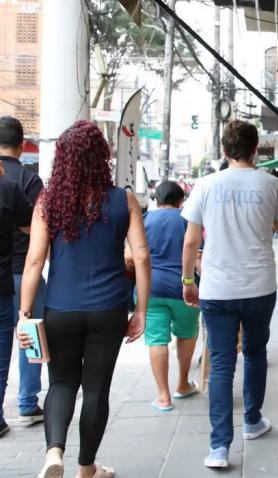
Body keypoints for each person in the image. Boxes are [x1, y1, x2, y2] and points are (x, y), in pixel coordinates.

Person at [16, 120, 151, 478]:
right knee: (95, 390)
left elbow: (33, 261)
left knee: (61, 382)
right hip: (108, 310)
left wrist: (24, 312)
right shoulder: (124, 200)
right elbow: (141, 257)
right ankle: (86, 468)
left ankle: (54, 453)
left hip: (60, 307)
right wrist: (140, 309)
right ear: (100, 158)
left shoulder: (48, 202)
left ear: (62, 159)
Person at [181, 120, 278, 468]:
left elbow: (190, 240)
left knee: (222, 363)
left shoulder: (206, 185)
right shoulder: (271, 184)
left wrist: (187, 281)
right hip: (259, 286)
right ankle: (252, 421)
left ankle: (218, 448)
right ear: (255, 148)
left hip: (217, 287)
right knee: (256, 353)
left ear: (225, 150)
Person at [0, 116, 45, 425]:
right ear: (20, 144)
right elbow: (38, 230)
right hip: (25, 271)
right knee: (30, 333)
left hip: (5, 275)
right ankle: (28, 401)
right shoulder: (31, 180)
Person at [141, 181, 200, 411]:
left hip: (151, 288)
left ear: (157, 199)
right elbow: (197, 254)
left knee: (156, 339)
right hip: (183, 288)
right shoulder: (187, 219)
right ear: (180, 199)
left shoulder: (145, 219)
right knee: (186, 334)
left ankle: (163, 396)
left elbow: (132, 254)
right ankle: (183, 384)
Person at [0, 158, 33, 438]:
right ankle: (20, 406)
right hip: (8, 279)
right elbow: (31, 228)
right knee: (4, 352)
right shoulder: (9, 187)